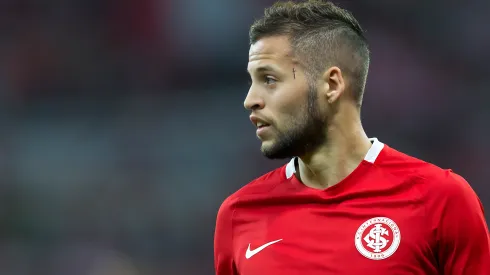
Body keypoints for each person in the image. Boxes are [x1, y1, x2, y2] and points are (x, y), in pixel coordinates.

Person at [213, 0, 490, 274]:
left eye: (269, 79)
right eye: (252, 81)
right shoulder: (238, 215)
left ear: (332, 85)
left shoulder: (441, 200)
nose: (250, 100)